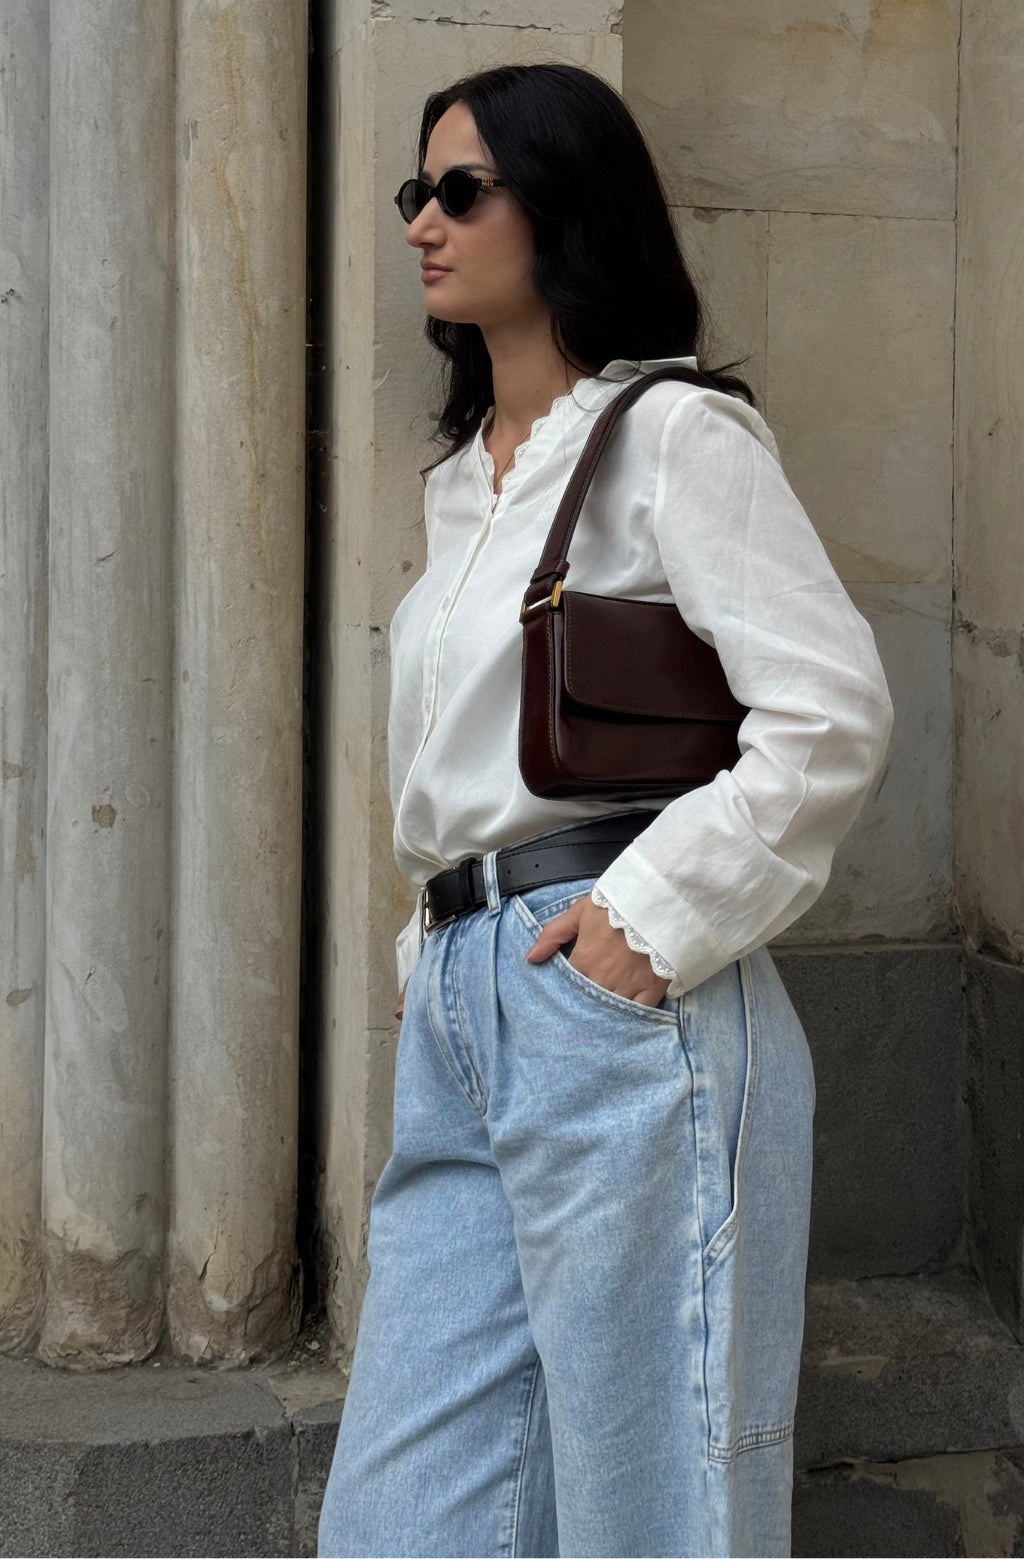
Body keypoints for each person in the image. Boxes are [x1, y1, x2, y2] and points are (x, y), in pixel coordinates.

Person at [318, 61, 893, 1559]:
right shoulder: (462, 487)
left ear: (563, 205)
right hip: (471, 1007)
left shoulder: (672, 438)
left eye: (462, 191)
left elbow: (829, 714)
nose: (422, 226)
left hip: (615, 992)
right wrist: (435, 964)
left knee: (656, 1511)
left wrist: (646, 922)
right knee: (403, 1517)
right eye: (417, 193)